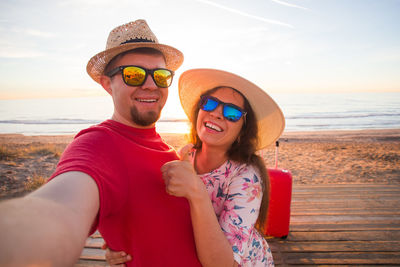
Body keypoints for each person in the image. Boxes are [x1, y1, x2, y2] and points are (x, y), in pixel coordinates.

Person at [0, 20, 203, 267]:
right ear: (107, 84)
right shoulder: (99, 144)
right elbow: (58, 208)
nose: (151, 84)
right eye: (134, 74)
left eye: (161, 75)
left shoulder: (166, 149)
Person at [105, 69, 285, 267]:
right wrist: (121, 243)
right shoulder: (185, 156)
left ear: (243, 130)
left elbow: (223, 264)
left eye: (231, 112)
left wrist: (196, 191)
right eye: (210, 103)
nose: (216, 113)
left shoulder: (246, 177)